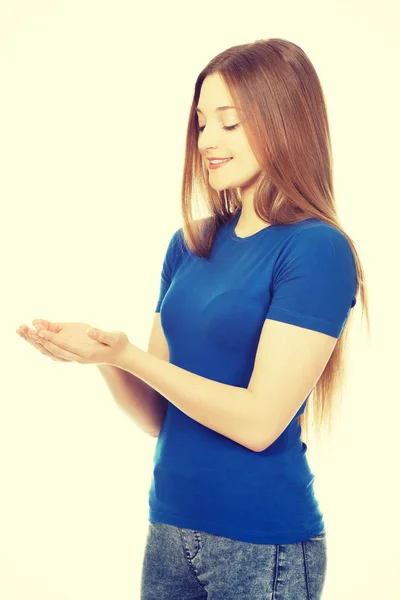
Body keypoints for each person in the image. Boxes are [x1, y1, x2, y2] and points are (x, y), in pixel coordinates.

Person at [17, 38, 370, 599]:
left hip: (262, 547)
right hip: (170, 529)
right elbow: (160, 415)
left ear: (284, 122)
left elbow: (259, 424)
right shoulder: (191, 244)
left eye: (228, 123)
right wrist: (107, 360)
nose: (206, 141)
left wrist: (129, 355)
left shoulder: (316, 250)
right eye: (201, 123)